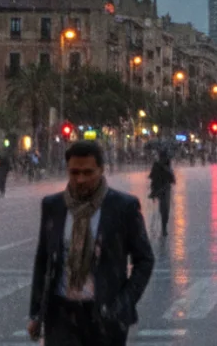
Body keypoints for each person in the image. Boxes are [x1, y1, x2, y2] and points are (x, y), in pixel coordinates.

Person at [27, 141, 155, 346]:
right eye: (74, 172)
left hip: (105, 314)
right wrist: (36, 313)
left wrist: (124, 303)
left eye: (88, 172)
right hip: (60, 315)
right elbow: (43, 260)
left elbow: (145, 260)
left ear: (101, 170)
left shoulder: (122, 207)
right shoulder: (53, 206)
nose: (80, 179)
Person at [148, 151, 175, 237]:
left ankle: (164, 227)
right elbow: (152, 178)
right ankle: (163, 227)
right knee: (163, 208)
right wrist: (153, 190)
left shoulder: (168, 166)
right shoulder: (156, 165)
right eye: (162, 157)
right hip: (159, 189)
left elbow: (172, 179)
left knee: (165, 210)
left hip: (165, 189)